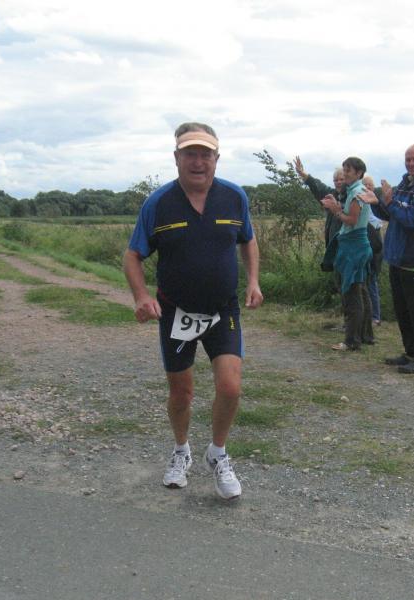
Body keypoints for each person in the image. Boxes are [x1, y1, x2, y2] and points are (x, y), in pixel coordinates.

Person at [123, 122, 264, 500]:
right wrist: (141, 296)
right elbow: (133, 254)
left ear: (216, 158)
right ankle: (181, 450)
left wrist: (253, 281)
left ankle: (217, 453)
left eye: (205, 154)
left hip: (223, 309)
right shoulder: (159, 203)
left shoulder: (234, 197)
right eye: (190, 154)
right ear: (176, 158)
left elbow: (248, 240)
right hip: (176, 311)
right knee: (182, 393)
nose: (198, 162)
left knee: (230, 387)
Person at [360, 144, 414, 374]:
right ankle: (410, 353)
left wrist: (390, 202)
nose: (411, 164)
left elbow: (412, 217)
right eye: (408, 159)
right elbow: (391, 214)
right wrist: (377, 202)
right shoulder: (406, 184)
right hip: (397, 257)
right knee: (404, 311)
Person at [320, 157, 374, 351]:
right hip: (356, 246)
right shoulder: (356, 190)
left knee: (351, 294)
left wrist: (335, 210)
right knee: (360, 291)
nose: (345, 174)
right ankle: (365, 336)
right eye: (344, 170)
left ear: (359, 173)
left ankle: (352, 341)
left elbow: (351, 220)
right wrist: (337, 204)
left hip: (354, 248)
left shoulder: (357, 192)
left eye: (348, 170)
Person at [293, 156, 346, 247]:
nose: (338, 182)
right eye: (336, 180)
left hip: (347, 244)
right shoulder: (332, 194)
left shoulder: (353, 196)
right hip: (333, 244)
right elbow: (317, 186)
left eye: (341, 179)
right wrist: (301, 173)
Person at [363, 175, 384, 326]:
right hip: (366, 241)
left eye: (370, 185)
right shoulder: (361, 201)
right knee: (364, 281)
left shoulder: (375, 203)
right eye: (365, 185)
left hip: (374, 241)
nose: (368, 187)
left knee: (371, 280)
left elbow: (376, 224)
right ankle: (366, 315)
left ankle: (375, 316)